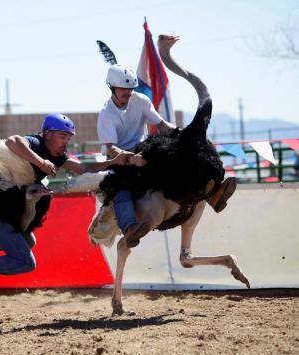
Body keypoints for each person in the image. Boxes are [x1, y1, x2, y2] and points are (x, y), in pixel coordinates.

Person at [0, 113, 130, 302]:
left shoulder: (57, 156)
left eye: (68, 138)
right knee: (25, 262)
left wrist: (112, 162)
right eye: (63, 137)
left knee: (29, 242)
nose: (66, 142)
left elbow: (83, 168)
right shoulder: (35, 143)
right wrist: (42, 163)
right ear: (48, 134)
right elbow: (13, 141)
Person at [97, 64, 236, 247]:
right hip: (118, 158)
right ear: (112, 88)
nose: (128, 92)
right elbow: (110, 147)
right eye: (123, 89)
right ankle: (130, 228)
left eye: (130, 88)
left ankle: (213, 194)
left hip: (142, 149)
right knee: (119, 185)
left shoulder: (141, 100)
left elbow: (162, 124)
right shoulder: (106, 114)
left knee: (175, 156)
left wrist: (183, 135)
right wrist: (129, 158)